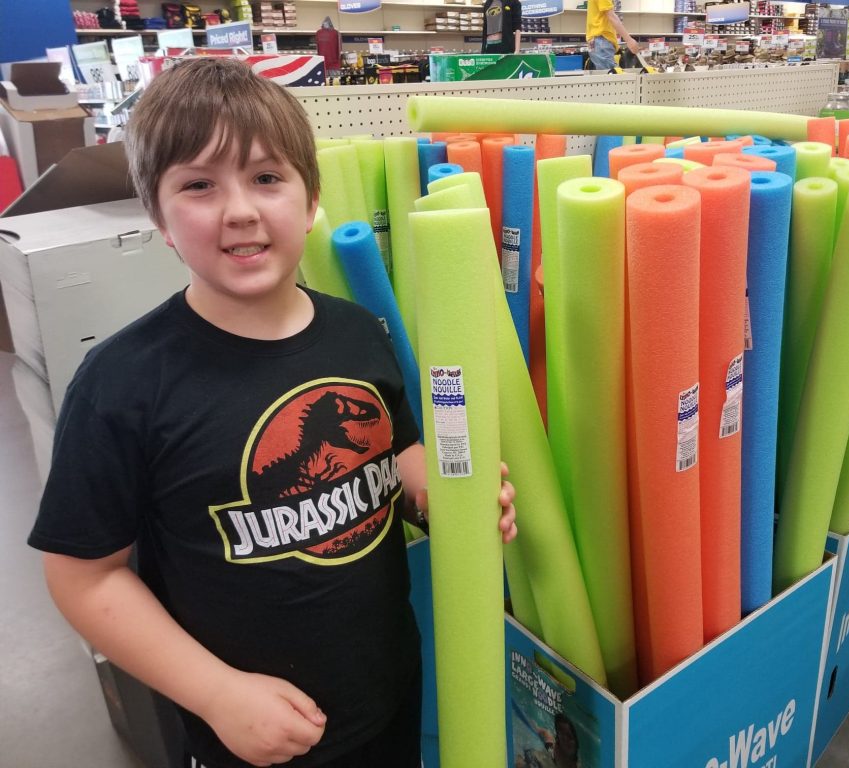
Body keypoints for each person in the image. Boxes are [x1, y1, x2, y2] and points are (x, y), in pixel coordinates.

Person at [27, 57, 517, 768]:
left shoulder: (358, 332)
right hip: (251, 736)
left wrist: (437, 494)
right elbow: (84, 576)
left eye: (266, 177)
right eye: (199, 185)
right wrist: (218, 694)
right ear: (159, 215)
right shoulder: (122, 386)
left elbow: (395, 450)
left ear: (311, 197)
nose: (240, 211)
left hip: (389, 695)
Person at [586, 0, 639, 72]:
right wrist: (629, 40)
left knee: (604, 78)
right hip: (602, 41)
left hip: (596, 41)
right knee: (610, 80)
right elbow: (612, 17)